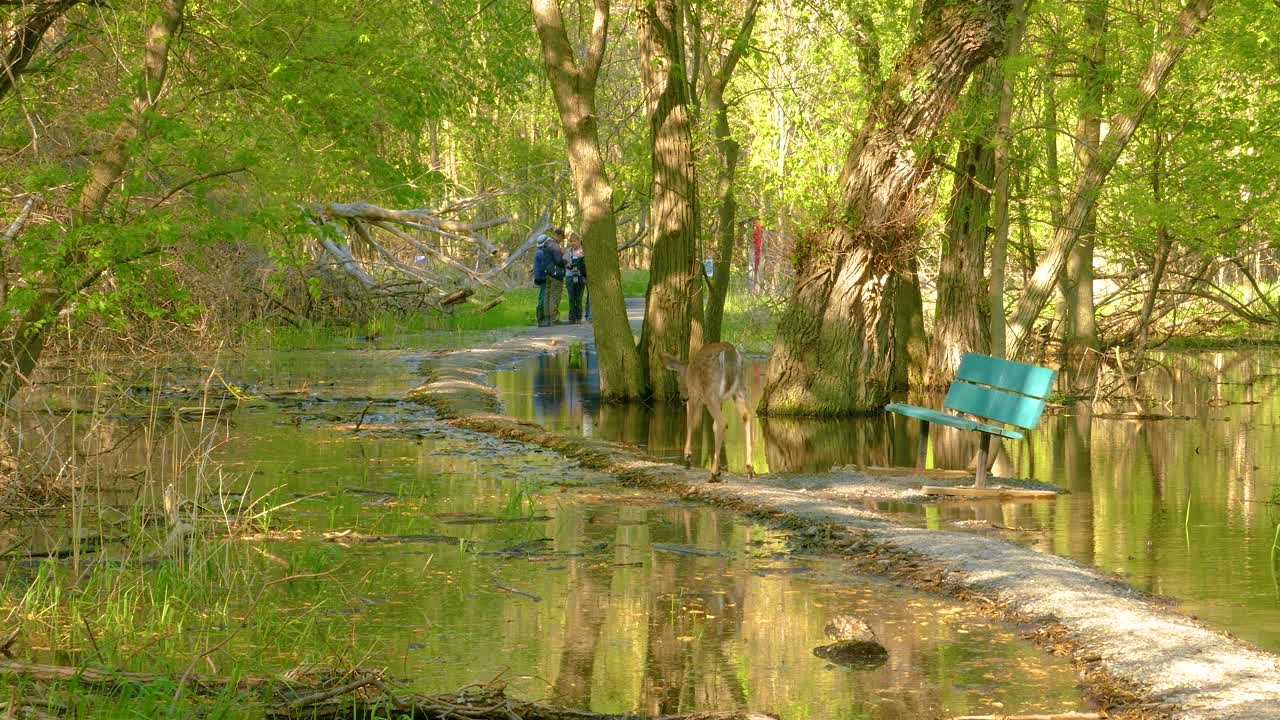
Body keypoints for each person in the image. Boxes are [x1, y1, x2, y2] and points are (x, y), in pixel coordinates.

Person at [545, 227, 568, 324]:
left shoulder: (547, 244)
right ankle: (554, 319)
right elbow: (559, 261)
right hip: (556, 274)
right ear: (558, 236)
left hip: (548, 273)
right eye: (562, 238)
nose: (562, 240)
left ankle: (547, 318)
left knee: (548, 296)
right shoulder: (555, 246)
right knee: (555, 296)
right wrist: (565, 260)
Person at [532, 234, 554, 327]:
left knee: (543, 296)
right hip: (543, 278)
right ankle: (541, 319)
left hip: (540, 278)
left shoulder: (539, 252)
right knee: (543, 298)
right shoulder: (541, 253)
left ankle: (543, 318)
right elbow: (544, 266)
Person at [566, 233, 587, 323]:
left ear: (579, 241)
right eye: (571, 241)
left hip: (579, 277)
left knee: (578, 298)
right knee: (571, 298)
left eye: (574, 241)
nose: (573, 243)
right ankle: (571, 318)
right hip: (570, 277)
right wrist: (569, 264)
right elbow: (565, 262)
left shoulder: (583, 251)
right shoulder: (568, 251)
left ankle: (578, 317)